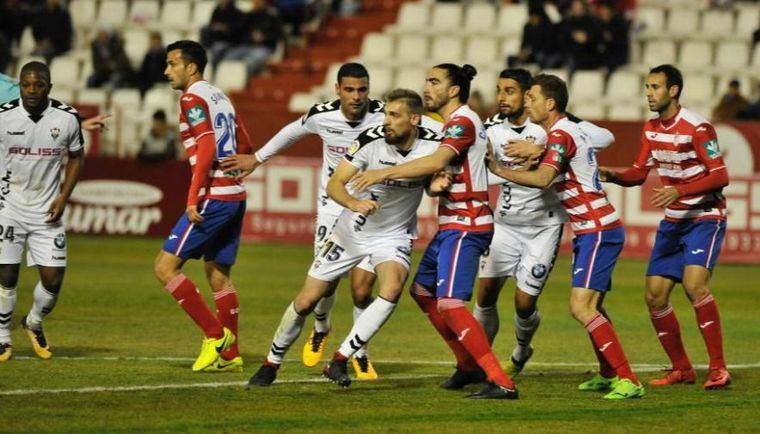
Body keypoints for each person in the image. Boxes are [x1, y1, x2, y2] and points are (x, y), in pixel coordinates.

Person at [247, 89, 449, 387]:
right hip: (351, 230)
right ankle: (271, 362)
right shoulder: (370, 140)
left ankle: (341, 359)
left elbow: (430, 180)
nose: (386, 121)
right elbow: (335, 184)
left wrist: (435, 187)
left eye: (394, 115)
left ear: (414, 119)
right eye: (386, 114)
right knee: (306, 301)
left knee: (391, 288)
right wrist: (354, 204)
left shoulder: (433, 147)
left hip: (392, 235)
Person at [350, 64, 518, 400]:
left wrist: (383, 174)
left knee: (451, 304)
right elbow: (443, 173)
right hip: (451, 223)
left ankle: (500, 380)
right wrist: (435, 186)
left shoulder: (462, 121)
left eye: (434, 82)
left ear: (454, 90)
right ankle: (467, 365)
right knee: (423, 291)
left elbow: (435, 161)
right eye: (426, 80)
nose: (426, 88)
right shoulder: (452, 124)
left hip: (467, 224)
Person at [222, 63, 385, 380]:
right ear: (337, 89)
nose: (356, 96)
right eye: (349, 89)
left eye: (362, 89)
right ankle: (322, 327)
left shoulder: (383, 115)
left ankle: (360, 353)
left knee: (363, 290)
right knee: (325, 283)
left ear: (369, 89)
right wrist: (257, 158)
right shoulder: (321, 115)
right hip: (332, 205)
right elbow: (290, 132)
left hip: (368, 207)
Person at [485, 73, 644, 400]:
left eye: (532, 98)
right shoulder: (561, 133)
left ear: (550, 103)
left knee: (581, 307)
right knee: (595, 305)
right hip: (593, 229)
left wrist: (500, 171)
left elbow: (544, 179)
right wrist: (537, 149)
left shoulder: (559, 135)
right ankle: (607, 373)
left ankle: (629, 380)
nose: (527, 102)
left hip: (597, 228)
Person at [600, 64, 731, 390]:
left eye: (655, 87)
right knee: (655, 297)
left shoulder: (698, 128)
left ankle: (718, 368)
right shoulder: (650, 128)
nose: (649, 93)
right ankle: (682, 369)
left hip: (704, 215)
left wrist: (680, 190)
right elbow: (638, 172)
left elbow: (720, 175)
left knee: (694, 286)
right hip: (674, 221)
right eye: (647, 87)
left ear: (673, 90)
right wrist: (613, 175)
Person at [152, 40, 252, 373]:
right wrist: (239, 170)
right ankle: (231, 353)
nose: (167, 71)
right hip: (235, 194)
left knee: (165, 268)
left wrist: (193, 196)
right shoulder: (220, 95)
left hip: (214, 196)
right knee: (218, 275)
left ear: (191, 67)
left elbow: (207, 144)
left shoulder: (192, 98)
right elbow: (246, 144)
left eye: (172, 64)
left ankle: (214, 335)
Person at [471, 68, 564, 381]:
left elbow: (602, 139)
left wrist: (542, 150)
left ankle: (522, 349)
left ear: (527, 96)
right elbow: (479, 168)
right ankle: (482, 365)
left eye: (509, 91)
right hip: (505, 225)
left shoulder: (549, 129)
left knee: (524, 303)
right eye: (499, 90)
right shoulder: (490, 129)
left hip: (543, 227)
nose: (501, 97)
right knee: (484, 295)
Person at [0, 61, 84, 362]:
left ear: (49, 86)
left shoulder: (67, 118)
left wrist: (63, 196)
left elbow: (76, 156)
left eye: (38, 84)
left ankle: (33, 322)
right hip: (7, 207)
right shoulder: (4, 117)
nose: (32, 90)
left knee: (53, 280)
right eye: (26, 85)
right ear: (19, 85)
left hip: (47, 211)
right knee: (6, 275)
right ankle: (2, 338)